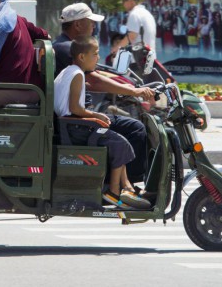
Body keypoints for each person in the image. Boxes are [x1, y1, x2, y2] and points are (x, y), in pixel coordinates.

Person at [53, 2, 154, 184]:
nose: (94, 26)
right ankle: (129, 186)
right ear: (77, 24)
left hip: (78, 116)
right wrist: (133, 90)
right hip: (77, 120)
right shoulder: (68, 48)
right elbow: (94, 80)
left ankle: (121, 185)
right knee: (135, 128)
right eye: (90, 22)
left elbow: (97, 73)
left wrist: (127, 84)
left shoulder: (69, 46)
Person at [54, 36, 150, 209]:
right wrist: (96, 116)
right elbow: (75, 108)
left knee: (119, 140)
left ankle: (126, 187)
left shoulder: (68, 71)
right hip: (76, 127)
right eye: (95, 54)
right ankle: (113, 191)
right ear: (82, 57)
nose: (98, 58)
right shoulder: (77, 75)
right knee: (121, 144)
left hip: (72, 126)